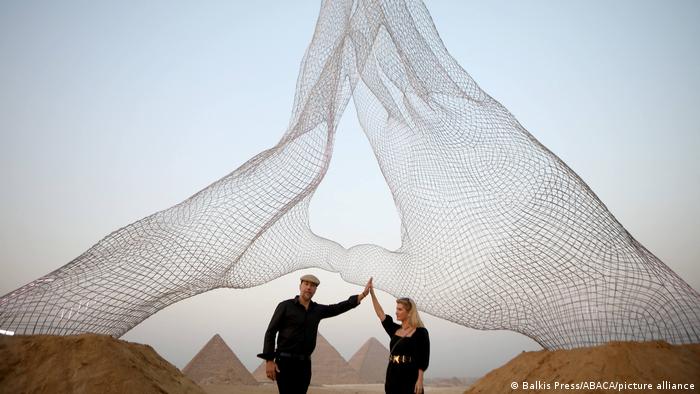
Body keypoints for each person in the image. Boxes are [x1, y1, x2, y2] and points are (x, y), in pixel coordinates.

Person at [258, 274, 371, 394]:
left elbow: (338, 308)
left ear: (315, 290)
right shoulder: (285, 306)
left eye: (312, 285)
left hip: (304, 365)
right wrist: (269, 360)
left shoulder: (317, 310)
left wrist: (362, 295)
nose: (309, 287)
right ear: (300, 286)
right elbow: (270, 332)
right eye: (306, 284)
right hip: (285, 363)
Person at [368, 278, 430, 394]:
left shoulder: (421, 332)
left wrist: (420, 380)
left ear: (409, 312)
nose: (396, 312)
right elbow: (380, 313)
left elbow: (423, 358)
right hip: (392, 374)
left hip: (410, 375)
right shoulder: (394, 329)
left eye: (400, 309)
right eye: (396, 309)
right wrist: (372, 294)